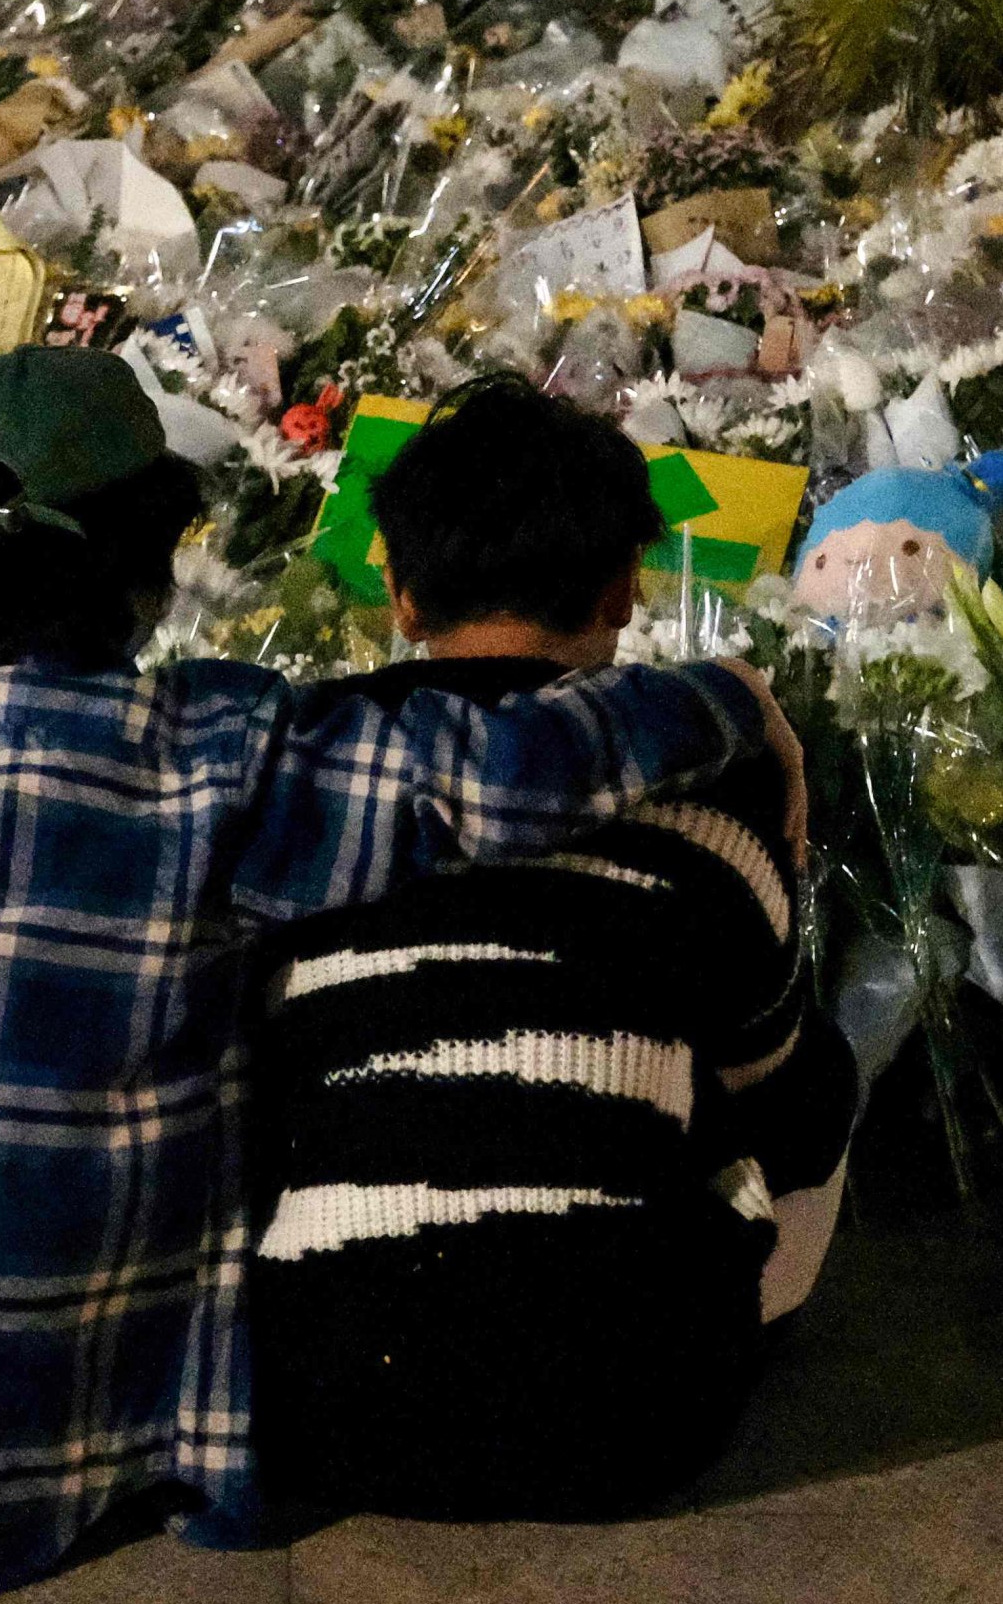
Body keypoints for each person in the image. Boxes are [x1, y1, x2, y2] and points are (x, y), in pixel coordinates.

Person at [0, 348, 792, 1604]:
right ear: (147, 551)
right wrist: (731, 701)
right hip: (42, 1426)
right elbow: (494, 775)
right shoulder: (205, 753)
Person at [250, 382, 855, 1524]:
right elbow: (780, 1094)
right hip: (642, 1423)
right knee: (801, 1074)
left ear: (400, 591)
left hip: (323, 1408)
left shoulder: (305, 796)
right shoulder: (706, 809)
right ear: (628, 585)